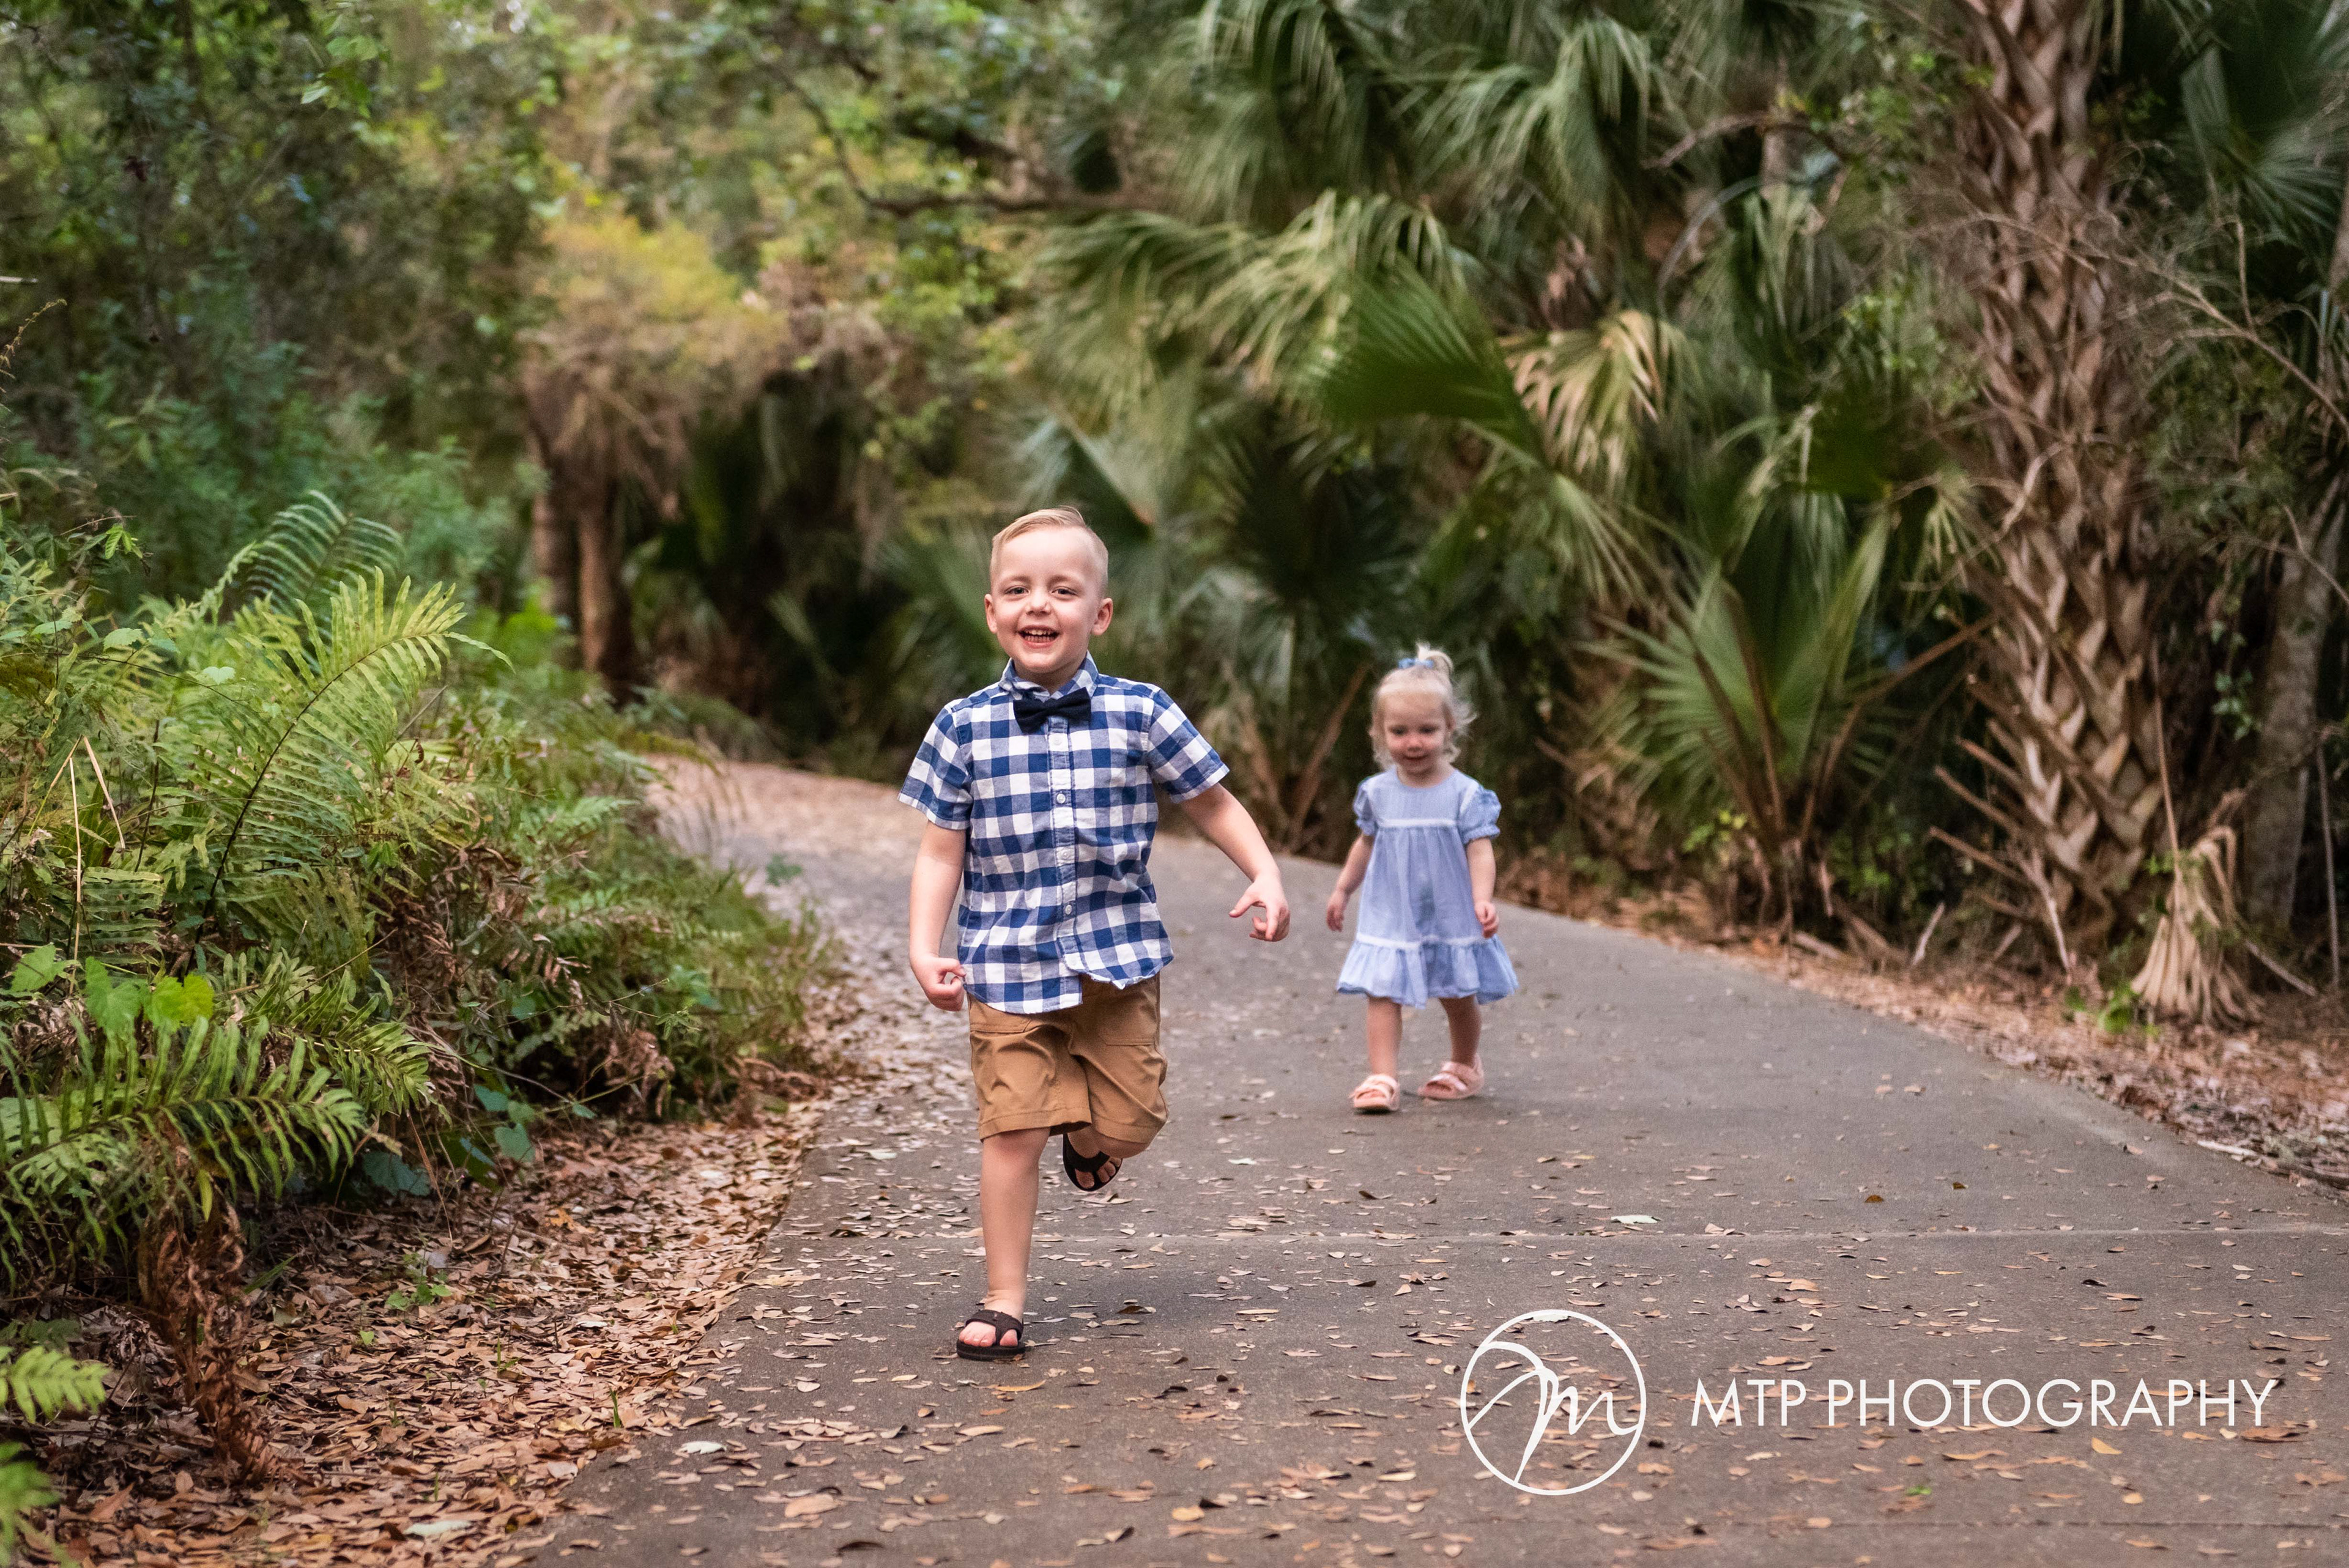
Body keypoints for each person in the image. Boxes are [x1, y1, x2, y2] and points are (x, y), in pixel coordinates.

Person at [900, 505, 1292, 1361]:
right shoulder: (962, 726)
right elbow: (940, 852)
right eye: (1019, 589)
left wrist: (1261, 871)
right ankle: (1004, 1297)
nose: (1039, 605)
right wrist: (926, 945)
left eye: (1063, 590)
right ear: (994, 611)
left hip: (1117, 966)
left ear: (1099, 613)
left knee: (1134, 1120)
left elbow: (1212, 801)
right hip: (1005, 965)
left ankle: (1090, 1140)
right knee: (1010, 1132)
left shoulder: (1141, 712)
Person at [1324, 648, 1518, 1112]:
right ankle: (1382, 1077)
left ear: (1450, 729)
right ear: (1379, 733)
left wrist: (1482, 899)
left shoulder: (1466, 794)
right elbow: (1365, 845)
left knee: (1457, 992)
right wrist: (1342, 889)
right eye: (1400, 731)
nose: (1414, 742)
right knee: (1383, 990)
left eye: (1427, 730)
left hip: (1451, 910)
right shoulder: (1377, 793)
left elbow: (1480, 850)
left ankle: (1464, 1063)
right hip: (1393, 911)